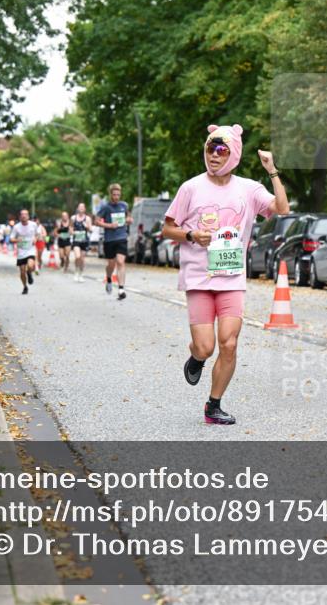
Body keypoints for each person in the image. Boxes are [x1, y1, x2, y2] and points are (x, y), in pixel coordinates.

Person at [162, 124, 289, 425]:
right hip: (199, 279)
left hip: (232, 278)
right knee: (206, 346)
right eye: (210, 149)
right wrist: (192, 234)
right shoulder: (190, 188)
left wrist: (272, 170)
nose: (215, 155)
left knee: (229, 343)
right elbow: (167, 228)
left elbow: (282, 208)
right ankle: (197, 357)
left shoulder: (248, 188)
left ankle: (213, 405)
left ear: (234, 154)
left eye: (222, 150)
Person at [95, 183, 132, 300]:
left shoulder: (124, 205)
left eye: (118, 194)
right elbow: (96, 221)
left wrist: (129, 220)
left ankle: (121, 289)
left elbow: (129, 217)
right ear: (110, 194)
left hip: (121, 237)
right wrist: (109, 225)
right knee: (111, 264)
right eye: (114, 194)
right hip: (109, 239)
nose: (116, 197)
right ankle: (109, 278)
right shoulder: (105, 207)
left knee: (121, 262)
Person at [10, 209, 40, 294]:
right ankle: (25, 287)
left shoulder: (33, 225)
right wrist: (16, 240)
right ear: (20, 217)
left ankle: (29, 273)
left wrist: (35, 238)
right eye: (22, 215)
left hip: (30, 249)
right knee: (22, 271)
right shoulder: (16, 227)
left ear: (28, 216)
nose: (24, 216)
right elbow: (11, 238)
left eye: (25, 214)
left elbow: (37, 234)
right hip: (21, 251)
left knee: (30, 266)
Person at [71, 203, 92, 282]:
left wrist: (87, 227)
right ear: (77, 208)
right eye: (80, 207)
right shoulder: (73, 218)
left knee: (82, 259)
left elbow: (91, 230)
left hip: (84, 240)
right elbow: (70, 228)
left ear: (85, 209)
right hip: (76, 240)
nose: (81, 208)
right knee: (77, 256)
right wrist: (72, 232)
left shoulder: (88, 219)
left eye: (83, 207)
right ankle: (76, 271)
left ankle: (81, 274)